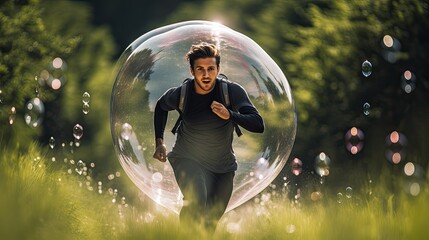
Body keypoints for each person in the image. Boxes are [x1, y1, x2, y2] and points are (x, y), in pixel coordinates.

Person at [153, 42, 264, 230]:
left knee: (210, 222)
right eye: (200, 69)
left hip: (223, 166)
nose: (206, 75)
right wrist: (159, 142)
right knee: (196, 202)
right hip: (187, 158)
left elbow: (258, 124)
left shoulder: (231, 92)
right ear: (192, 71)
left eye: (211, 69)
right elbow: (161, 106)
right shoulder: (183, 93)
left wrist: (230, 114)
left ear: (218, 69)